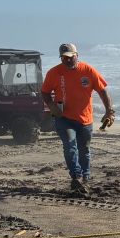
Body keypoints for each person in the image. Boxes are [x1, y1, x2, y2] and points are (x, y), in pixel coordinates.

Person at [41, 43, 114, 196]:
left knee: (84, 149)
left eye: (70, 57)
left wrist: (109, 111)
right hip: (64, 118)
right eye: (63, 58)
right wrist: (51, 105)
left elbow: (102, 91)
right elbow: (45, 92)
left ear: (77, 55)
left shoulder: (88, 70)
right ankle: (76, 176)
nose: (67, 60)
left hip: (85, 119)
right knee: (69, 145)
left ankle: (85, 177)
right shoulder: (54, 73)